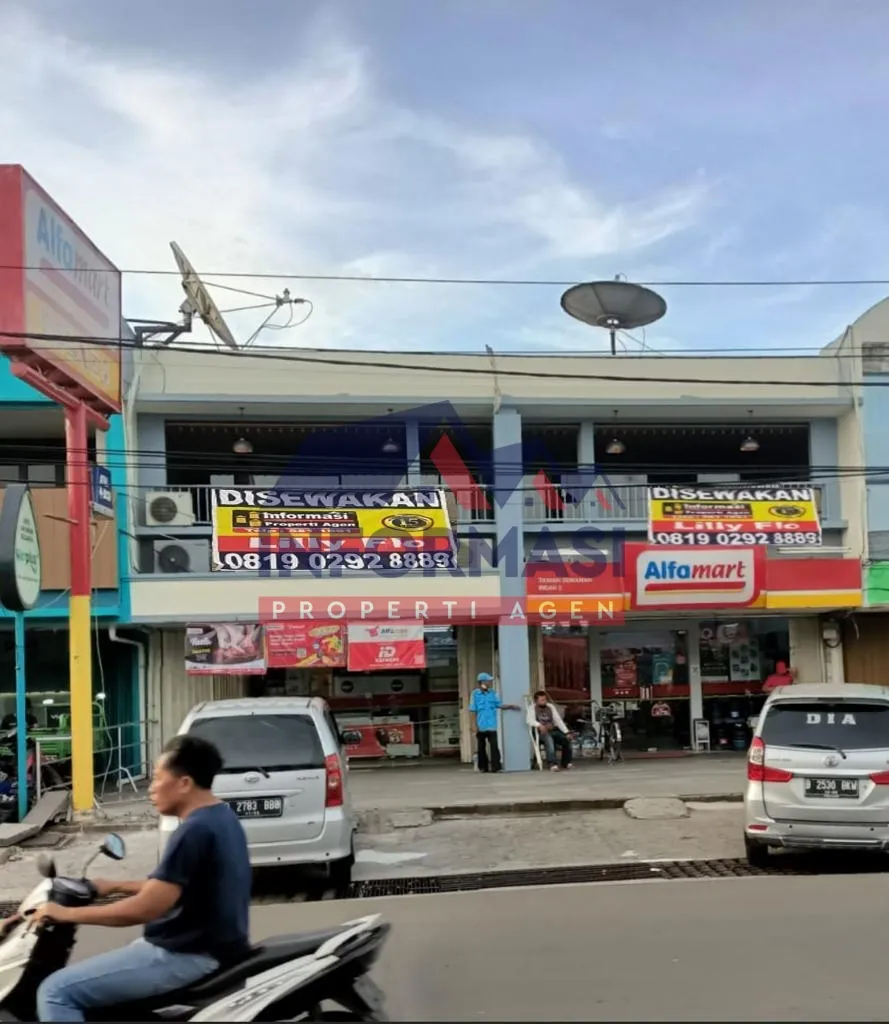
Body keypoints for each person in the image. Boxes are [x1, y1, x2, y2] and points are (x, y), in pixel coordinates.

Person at [33, 734, 252, 1022]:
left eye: (158, 778)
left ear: (184, 783)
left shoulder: (194, 831)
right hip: (213, 947)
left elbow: (147, 907)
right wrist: (112, 885)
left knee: (55, 991)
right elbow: (177, 887)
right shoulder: (222, 817)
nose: (150, 788)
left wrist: (66, 914)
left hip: (187, 955)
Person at [468, 672, 520, 772]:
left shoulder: (492, 693)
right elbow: (472, 710)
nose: (489, 683)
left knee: (494, 746)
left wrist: (511, 706)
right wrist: (474, 725)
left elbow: (499, 705)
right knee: (481, 747)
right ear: (482, 682)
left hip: (492, 724)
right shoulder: (475, 694)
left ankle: (496, 767)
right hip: (481, 724)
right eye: (487, 681)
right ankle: (483, 767)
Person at [527, 690, 573, 771]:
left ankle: (566, 762)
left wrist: (566, 732)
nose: (544, 701)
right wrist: (539, 725)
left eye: (545, 699)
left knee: (566, 739)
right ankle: (552, 764)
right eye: (542, 700)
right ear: (536, 701)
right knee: (549, 740)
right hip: (540, 732)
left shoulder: (550, 706)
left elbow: (558, 720)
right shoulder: (532, 707)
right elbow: (529, 720)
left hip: (552, 730)